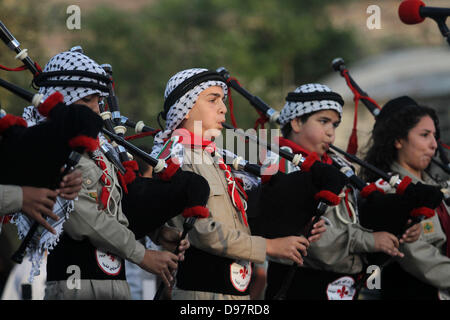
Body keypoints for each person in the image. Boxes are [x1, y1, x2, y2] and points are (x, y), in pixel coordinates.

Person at [23, 48, 208, 300]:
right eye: (86, 100)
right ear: (62, 100)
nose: (97, 111)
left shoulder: (102, 149)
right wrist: (142, 255)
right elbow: (82, 217)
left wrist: (159, 234)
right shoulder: (50, 144)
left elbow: (119, 205)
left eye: (98, 101)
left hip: (116, 285)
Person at [150, 68, 325, 300]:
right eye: (213, 100)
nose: (223, 108)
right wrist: (270, 246)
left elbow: (251, 217)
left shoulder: (218, 158)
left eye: (222, 100)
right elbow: (202, 232)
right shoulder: (175, 159)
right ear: (185, 107)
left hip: (235, 292)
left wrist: (297, 222)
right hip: (201, 294)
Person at [262, 83, 416, 300]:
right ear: (296, 122)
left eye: (334, 125)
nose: (330, 133)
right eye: (323, 121)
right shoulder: (280, 166)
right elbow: (316, 241)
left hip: (342, 282)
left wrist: (400, 225)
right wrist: (371, 240)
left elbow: (349, 219)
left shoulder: (334, 165)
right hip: (301, 283)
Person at [361, 96, 449, 300]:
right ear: (398, 140)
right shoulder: (387, 192)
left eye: (434, 136)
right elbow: (417, 256)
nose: (434, 145)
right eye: (425, 135)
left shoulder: (434, 186)